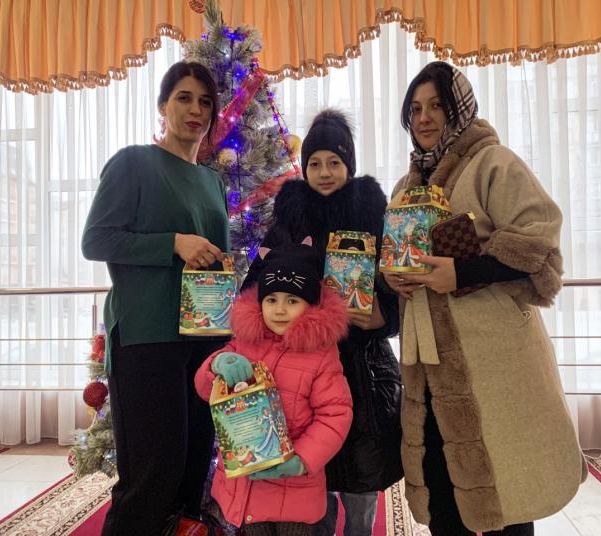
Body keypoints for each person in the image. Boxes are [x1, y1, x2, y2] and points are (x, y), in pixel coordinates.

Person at [382, 61, 587, 536]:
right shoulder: (405, 187)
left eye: (436, 105)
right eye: (415, 109)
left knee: (508, 482)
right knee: (442, 483)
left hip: (494, 362)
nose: (424, 118)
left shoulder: (495, 163)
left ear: (459, 109)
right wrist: (393, 278)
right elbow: (399, 256)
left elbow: (538, 243)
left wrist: (463, 272)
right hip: (428, 364)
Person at [81, 61, 229, 536]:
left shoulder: (212, 181)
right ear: (163, 106)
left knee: (191, 470)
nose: (195, 109)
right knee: (152, 476)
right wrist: (174, 244)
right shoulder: (133, 163)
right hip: (147, 337)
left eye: (205, 102)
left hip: (204, 339)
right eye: (184, 98)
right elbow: (96, 240)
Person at [243, 110, 403, 536]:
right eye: (315, 163)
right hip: (303, 375)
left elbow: (400, 289)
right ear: (304, 167)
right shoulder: (287, 223)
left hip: (363, 371)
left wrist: (382, 317)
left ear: (349, 164)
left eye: (334, 162)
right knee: (316, 483)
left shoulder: (375, 217)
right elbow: (255, 288)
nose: (325, 172)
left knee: (362, 485)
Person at [194, 243, 354, 536]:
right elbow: (206, 391)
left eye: (292, 300)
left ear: (310, 304)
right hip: (244, 486)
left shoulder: (321, 354)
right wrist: (216, 364)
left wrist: (302, 460)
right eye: (271, 299)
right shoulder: (244, 342)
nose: (280, 309)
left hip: (294, 491)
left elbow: (336, 415)